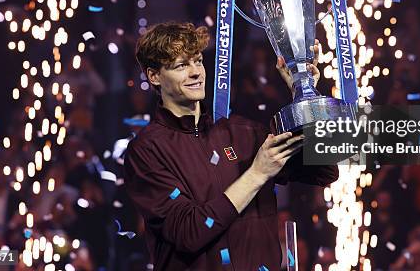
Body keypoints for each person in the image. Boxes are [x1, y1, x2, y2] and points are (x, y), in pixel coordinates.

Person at [124, 22, 339, 270]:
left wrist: (304, 96)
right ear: (154, 76)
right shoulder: (147, 151)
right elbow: (189, 233)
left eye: (197, 61)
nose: (195, 72)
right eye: (181, 65)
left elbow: (325, 171)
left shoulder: (243, 133)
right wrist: (257, 173)